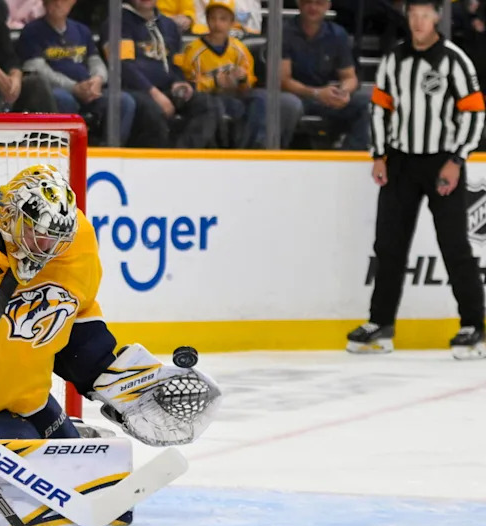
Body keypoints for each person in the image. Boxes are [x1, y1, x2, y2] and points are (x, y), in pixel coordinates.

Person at [0, 165, 219, 455]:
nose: (47, 249)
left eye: (55, 239)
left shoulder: (75, 244)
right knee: (30, 456)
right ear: (10, 217)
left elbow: (71, 318)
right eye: (38, 234)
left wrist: (113, 375)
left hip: (27, 400)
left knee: (79, 461)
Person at [348, 0, 486, 358]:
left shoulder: (454, 59)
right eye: (413, 15)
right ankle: (381, 323)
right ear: (407, 17)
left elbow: (473, 112)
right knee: (389, 245)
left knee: (455, 245)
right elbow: (380, 107)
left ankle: (474, 324)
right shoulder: (394, 59)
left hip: (442, 164)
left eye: (425, 14)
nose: (419, 21)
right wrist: (379, 154)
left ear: (437, 17)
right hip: (400, 163)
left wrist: (457, 159)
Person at [179, 0, 298, 148]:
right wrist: (215, 82)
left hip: (234, 95)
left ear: (231, 22)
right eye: (212, 18)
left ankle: (253, 149)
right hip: (208, 98)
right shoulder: (193, 49)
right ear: (206, 20)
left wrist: (241, 79)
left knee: (261, 99)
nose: (217, 23)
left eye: (223, 19)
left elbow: (249, 83)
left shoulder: (239, 49)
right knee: (224, 108)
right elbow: (189, 84)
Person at [104, 0, 220, 148]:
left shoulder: (169, 25)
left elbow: (175, 64)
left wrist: (180, 82)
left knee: (208, 105)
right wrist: (153, 93)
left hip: (166, 89)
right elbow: (124, 67)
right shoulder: (117, 23)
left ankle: (181, 157)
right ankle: (156, 163)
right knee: (153, 111)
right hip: (134, 90)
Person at [19, 0, 136, 143]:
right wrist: (73, 87)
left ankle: (109, 151)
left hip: (88, 88)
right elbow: (37, 69)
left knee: (123, 101)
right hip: (58, 89)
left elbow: (95, 60)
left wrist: (97, 79)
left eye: (62, 1)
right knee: (62, 99)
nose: (57, 4)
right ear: (44, 4)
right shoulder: (32, 31)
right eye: (52, 1)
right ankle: (68, 151)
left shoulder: (81, 30)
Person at [280, 0, 371, 150]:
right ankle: (277, 154)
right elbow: (283, 81)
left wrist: (343, 92)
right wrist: (316, 93)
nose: (313, 7)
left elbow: (349, 76)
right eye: (308, 2)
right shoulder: (284, 31)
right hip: (294, 96)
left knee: (369, 101)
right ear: (299, 3)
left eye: (319, 3)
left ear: (328, 5)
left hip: (325, 96)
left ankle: (348, 156)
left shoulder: (338, 34)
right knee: (290, 104)